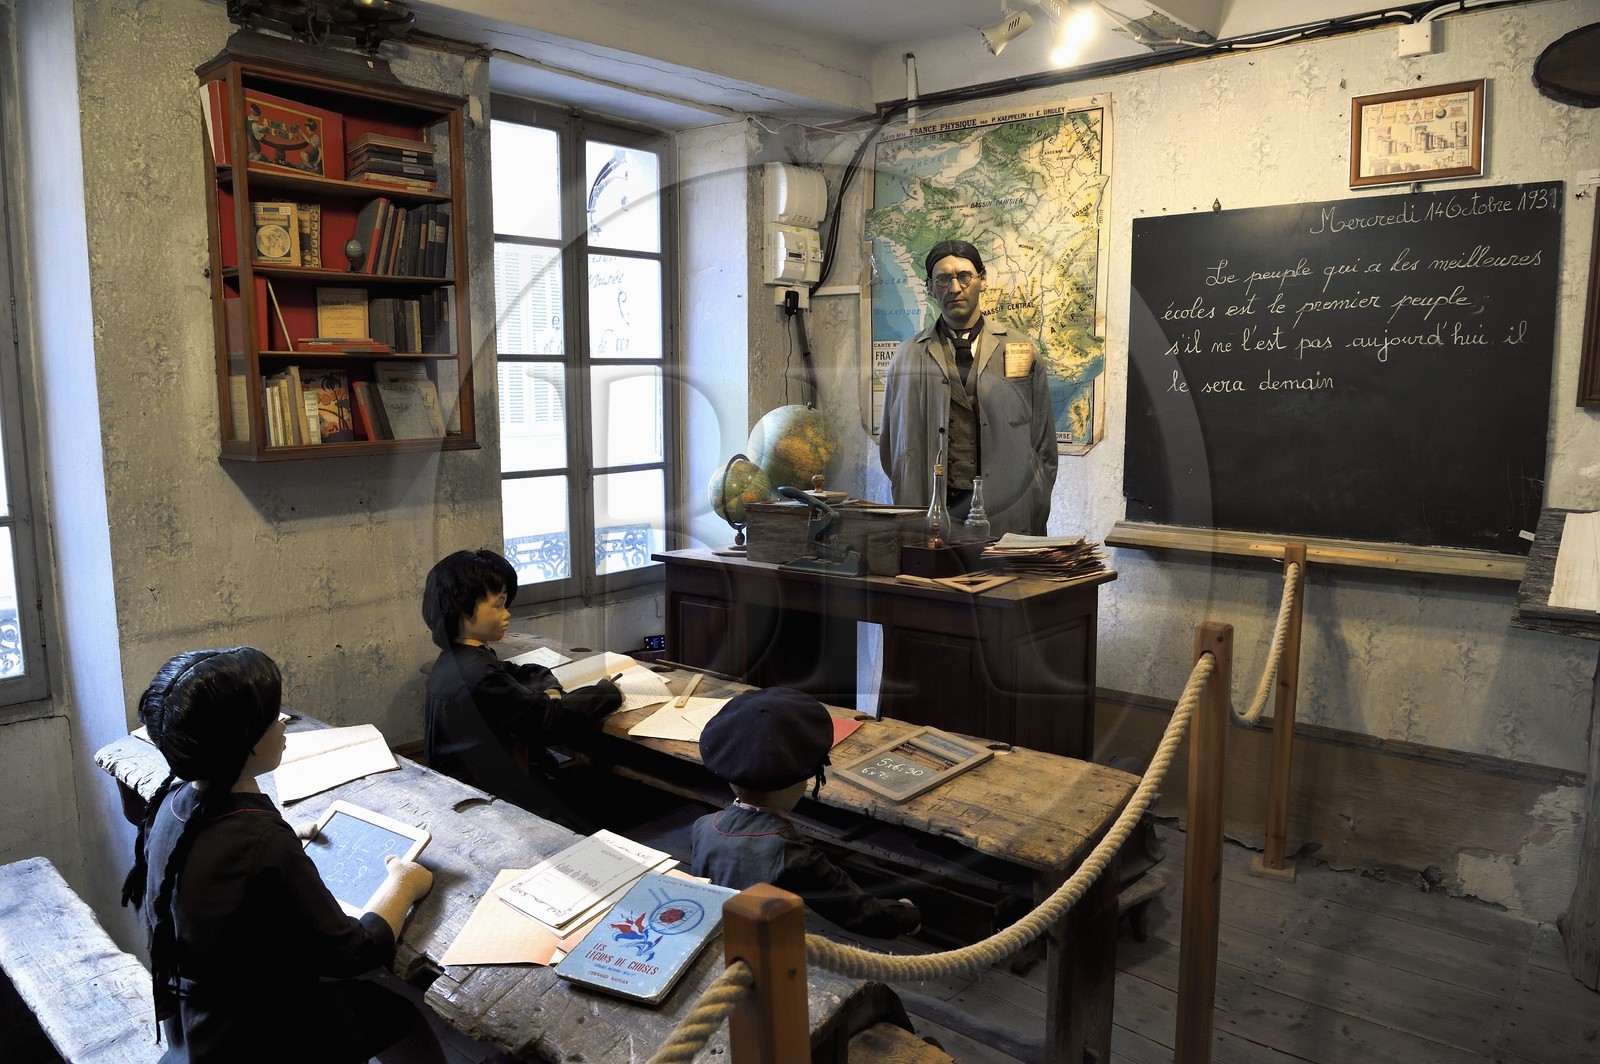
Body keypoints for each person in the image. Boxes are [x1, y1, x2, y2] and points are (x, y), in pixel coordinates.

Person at [121, 647, 441, 1063]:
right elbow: (353, 952)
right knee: (395, 1012)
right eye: (272, 717)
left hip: (194, 1022)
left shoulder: (173, 800)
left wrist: (279, 837)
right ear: (241, 741)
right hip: (253, 1038)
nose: (284, 721)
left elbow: (217, 859)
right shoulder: (260, 840)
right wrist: (402, 884)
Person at [690, 687, 921, 939]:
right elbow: (860, 913)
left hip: (709, 935)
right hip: (765, 953)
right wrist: (906, 915)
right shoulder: (794, 856)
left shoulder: (702, 827)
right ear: (805, 780)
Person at [421, 549, 620, 827]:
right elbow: (548, 721)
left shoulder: (458, 659)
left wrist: (549, 688)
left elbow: (520, 673)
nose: (507, 614)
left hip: (473, 783)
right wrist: (608, 693)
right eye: (499, 605)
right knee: (604, 802)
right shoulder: (479, 674)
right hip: (489, 800)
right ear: (464, 610)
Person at [878, 238, 1058, 537]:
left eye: (964, 276)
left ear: (982, 281)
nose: (955, 287)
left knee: (1005, 583)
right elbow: (890, 444)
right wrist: (907, 483)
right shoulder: (907, 356)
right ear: (930, 287)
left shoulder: (1020, 349)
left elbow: (1044, 443)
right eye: (943, 278)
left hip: (1006, 509)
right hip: (932, 509)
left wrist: (1034, 499)